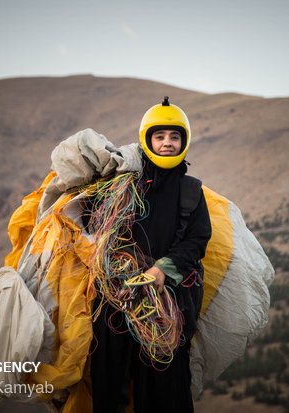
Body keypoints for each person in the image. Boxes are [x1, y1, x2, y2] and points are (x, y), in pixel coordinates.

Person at [89, 96, 212, 413]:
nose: (168, 143)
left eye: (174, 137)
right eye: (160, 136)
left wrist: (160, 272)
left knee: (165, 393)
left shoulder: (191, 191)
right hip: (116, 301)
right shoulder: (121, 184)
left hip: (167, 306)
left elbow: (197, 240)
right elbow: (95, 226)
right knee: (107, 388)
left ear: (184, 141)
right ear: (148, 139)